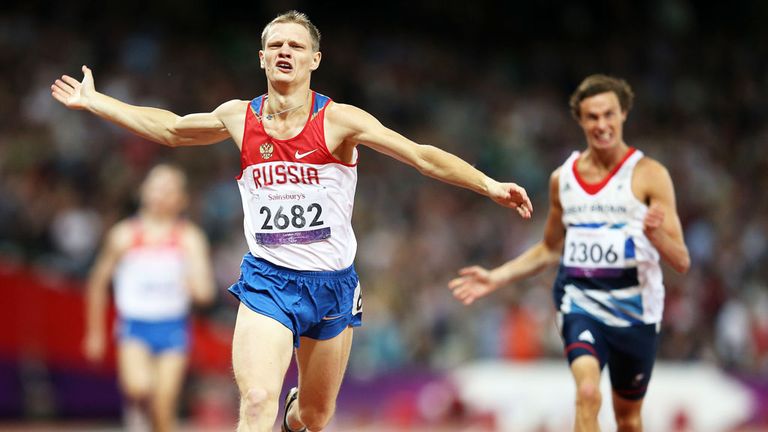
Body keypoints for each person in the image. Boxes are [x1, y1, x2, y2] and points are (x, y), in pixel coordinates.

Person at [52, 10, 533, 432]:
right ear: (261, 58)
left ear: (314, 60)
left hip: (332, 286)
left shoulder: (340, 121)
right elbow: (174, 129)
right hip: (267, 281)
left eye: (296, 46)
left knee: (315, 417)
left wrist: (487, 184)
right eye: (275, 45)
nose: (285, 51)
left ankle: (296, 413)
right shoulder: (240, 117)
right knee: (257, 401)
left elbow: (421, 156)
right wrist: (98, 102)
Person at [449, 75, 690, 432]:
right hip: (581, 302)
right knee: (588, 391)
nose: (602, 125)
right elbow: (550, 249)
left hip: (636, 311)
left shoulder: (651, 176)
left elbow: (682, 260)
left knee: (628, 418)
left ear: (623, 114)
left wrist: (656, 235)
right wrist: (495, 277)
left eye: (609, 114)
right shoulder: (563, 179)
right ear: (580, 120)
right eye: (592, 117)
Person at [83, 164, 215, 432]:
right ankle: (139, 413)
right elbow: (97, 284)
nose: (161, 194)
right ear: (143, 191)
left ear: (182, 199)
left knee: (164, 402)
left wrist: (195, 286)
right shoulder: (123, 235)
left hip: (173, 326)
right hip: (135, 326)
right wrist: (94, 333)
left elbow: (205, 291)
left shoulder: (189, 238)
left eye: (169, 189)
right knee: (139, 386)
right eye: (156, 186)